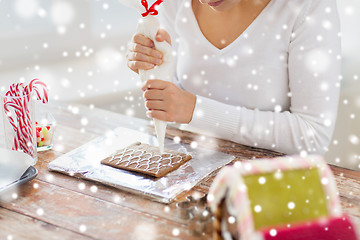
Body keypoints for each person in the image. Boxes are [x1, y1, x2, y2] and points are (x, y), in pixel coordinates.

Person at [126, 0, 341, 155]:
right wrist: (152, 67)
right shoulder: (174, 4)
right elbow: (175, 99)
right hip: (191, 176)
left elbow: (313, 136)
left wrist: (197, 111)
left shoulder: (309, 7)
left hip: (272, 187)